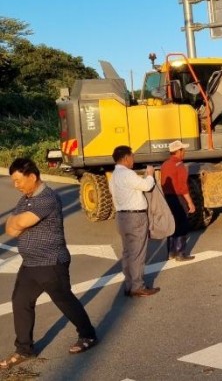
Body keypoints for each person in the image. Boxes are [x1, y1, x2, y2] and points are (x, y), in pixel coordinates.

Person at [1, 158, 98, 370]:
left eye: (18, 180)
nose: (15, 185)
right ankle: (24, 349)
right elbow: (10, 228)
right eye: (13, 181)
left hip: (51, 262)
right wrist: (15, 222)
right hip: (30, 264)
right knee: (20, 302)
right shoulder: (24, 199)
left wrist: (16, 222)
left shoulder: (48, 198)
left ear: (32, 177)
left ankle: (88, 334)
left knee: (65, 301)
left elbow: (21, 223)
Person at [109, 145, 160, 297]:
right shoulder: (128, 174)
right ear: (125, 158)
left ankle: (129, 284)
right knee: (137, 252)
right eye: (132, 157)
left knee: (127, 253)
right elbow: (147, 186)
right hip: (135, 217)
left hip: (121, 217)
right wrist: (150, 174)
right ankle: (138, 286)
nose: (133, 160)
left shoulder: (114, 176)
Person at [161, 140, 196, 261]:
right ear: (178, 151)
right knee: (183, 225)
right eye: (183, 150)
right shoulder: (180, 166)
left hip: (168, 198)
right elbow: (183, 187)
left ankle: (171, 252)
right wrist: (190, 203)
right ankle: (180, 253)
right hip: (178, 198)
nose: (184, 152)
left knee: (172, 224)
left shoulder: (165, 164)